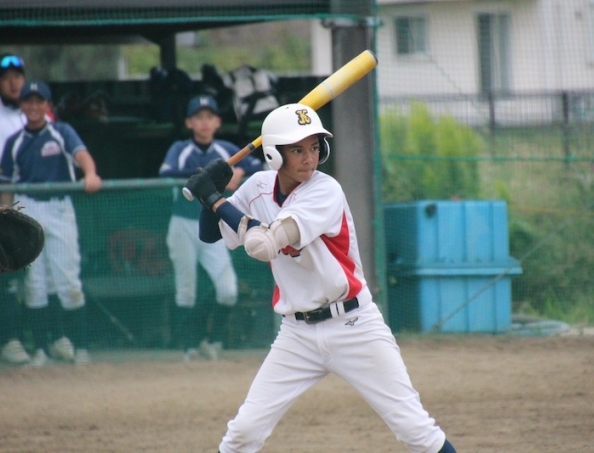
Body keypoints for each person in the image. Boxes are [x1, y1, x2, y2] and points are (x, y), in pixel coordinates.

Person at [185, 103, 457, 453]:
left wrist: (213, 198)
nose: (309, 158)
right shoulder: (258, 186)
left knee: (415, 430)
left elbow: (263, 244)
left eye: (314, 147)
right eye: (297, 149)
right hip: (297, 333)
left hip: (354, 325)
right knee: (243, 433)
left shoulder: (325, 190)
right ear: (274, 153)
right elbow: (211, 234)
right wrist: (210, 197)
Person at [0, 80, 102, 366]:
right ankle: (41, 351)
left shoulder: (61, 132)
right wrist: (6, 220)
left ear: (48, 105)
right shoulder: (14, 141)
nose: (34, 107)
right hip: (28, 209)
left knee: (67, 279)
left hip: (59, 207)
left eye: (39, 101)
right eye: (28, 101)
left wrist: (90, 173)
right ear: (22, 106)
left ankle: (80, 347)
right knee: (35, 282)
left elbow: (82, 156)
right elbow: (6, 186)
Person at [159, 94, 264, 361]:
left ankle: (213, 340)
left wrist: (239, 173)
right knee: (186, 289)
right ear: (189, 122)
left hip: (214, 226)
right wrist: (208, 176)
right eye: (198, 117)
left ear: (218, 122)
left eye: (209, 117)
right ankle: (189, 347)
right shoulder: (180, 149)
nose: (204, 122)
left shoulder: (226, 149)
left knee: (228, 290)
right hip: (182, 223)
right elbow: (165, 172)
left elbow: (259, 167)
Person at [0, 52, 30, 365]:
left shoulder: (34, 114)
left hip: (29, 203)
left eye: (17, 76)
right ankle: (8, 339)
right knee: (3, 269)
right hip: (1, 202)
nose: (13, 83)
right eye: (6, 78)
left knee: (30, 274)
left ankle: (37, 340)